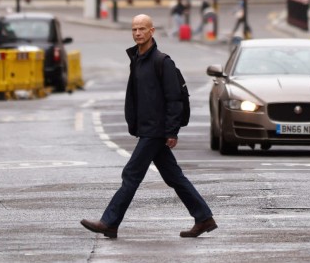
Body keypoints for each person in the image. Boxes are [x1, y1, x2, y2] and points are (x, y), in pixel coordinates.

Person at [80, 14, 216, 239]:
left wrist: (172, 131)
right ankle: (203, 218)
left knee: (131, 174)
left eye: (142, 29)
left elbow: (174, 100)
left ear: (152, 31)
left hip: (156, 130)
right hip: (147, 128)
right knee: (174, 177)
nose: (137, 33)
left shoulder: (162, 61)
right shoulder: (137, 60)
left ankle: (109, 222)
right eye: (134, 29)